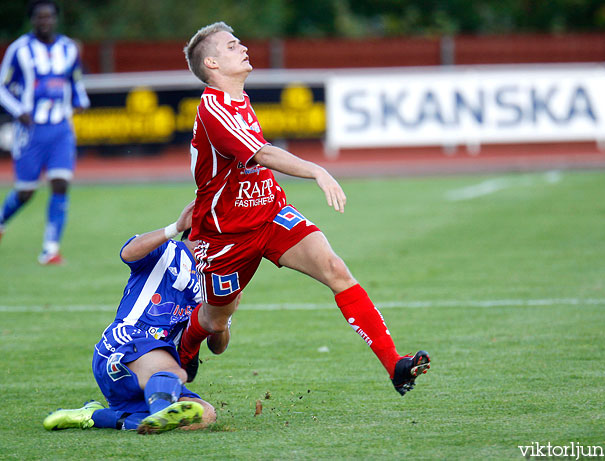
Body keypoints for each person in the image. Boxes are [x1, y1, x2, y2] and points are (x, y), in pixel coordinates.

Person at [177, 22, 430, 396]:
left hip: (271, 214)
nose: (243, 47)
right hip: (224, 236)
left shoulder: (239, 99)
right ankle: (188, 341)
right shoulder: (212, 109)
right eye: (232, 46)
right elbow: (262, 153)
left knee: (335, 269)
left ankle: (395, 364)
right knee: (216, 325)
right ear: (212, 63)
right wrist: (317, 170)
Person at [43, 201, 230, 434]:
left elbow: (218, 346)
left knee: (203, 414)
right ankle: (160, 408)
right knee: (175, 373)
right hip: (122, 345)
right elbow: (128, 252)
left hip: (151, 374)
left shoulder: (216, 280)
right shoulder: (168, 250)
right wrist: (174, 227)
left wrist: (223, 312)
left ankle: (96, 415)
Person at [0, 0, 90, 264]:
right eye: (40, 17)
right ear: (32, 20)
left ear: (55, 19)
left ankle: (50, 249)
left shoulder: (68, 49)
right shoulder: (19, 50)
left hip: (61, 128)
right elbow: (2, 86)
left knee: (60, 183)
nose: (45, 22)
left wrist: (80, 100)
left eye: (49, 17)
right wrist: (18, 110)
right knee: (26, 190)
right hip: (30, 130)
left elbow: (74, 80)